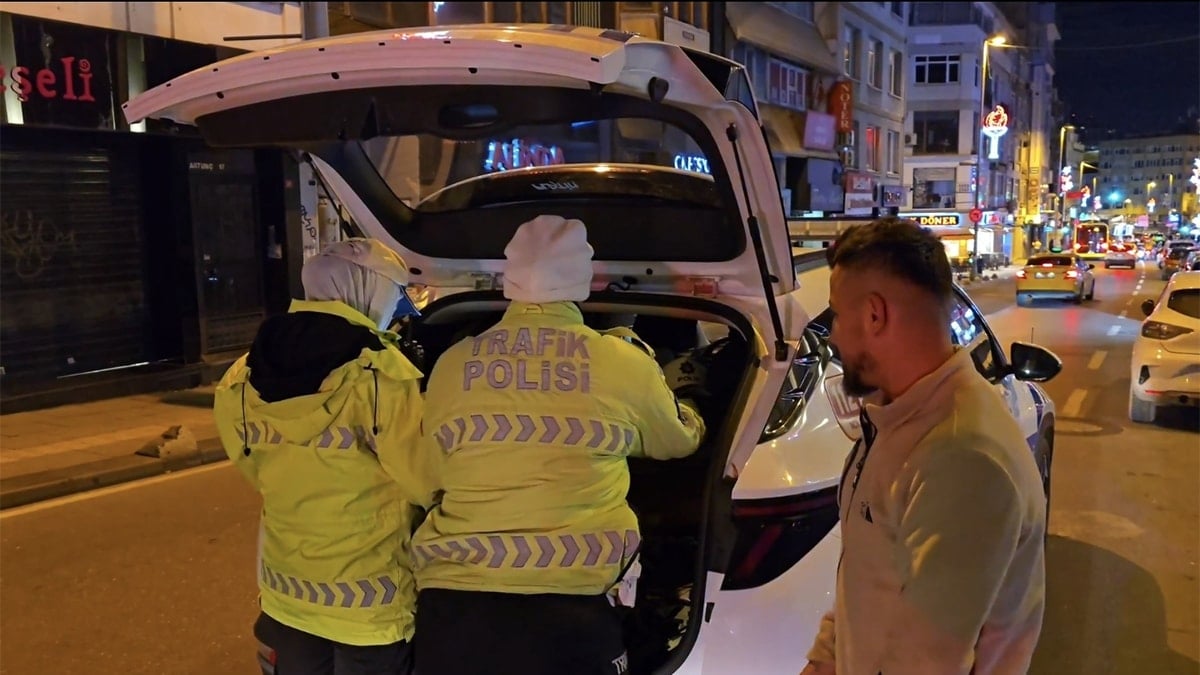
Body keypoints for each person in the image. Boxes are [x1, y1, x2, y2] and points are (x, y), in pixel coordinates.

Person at [410, 214, 708, 675]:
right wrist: (690, 404)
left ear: (509, 280)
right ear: (582, 282)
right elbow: (678, 443)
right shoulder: (621, 363)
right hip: (570, 616)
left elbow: (426, 479)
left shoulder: (453, 364)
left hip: (453, 611)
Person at [801, 217, 1046, 675]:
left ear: (875, 315)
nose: (833, 335)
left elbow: (926, 660)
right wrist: (822, 664)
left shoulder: (962, 456)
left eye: (837, 313)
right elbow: (865, 578)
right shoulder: (896, 419)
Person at [213, 238, 430, 675]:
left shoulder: (242, 374)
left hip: (286, 596)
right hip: (369, 607)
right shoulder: (380, 375)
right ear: (371, 291)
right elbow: (425, 482)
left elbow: (251, 464)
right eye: (395, 294)